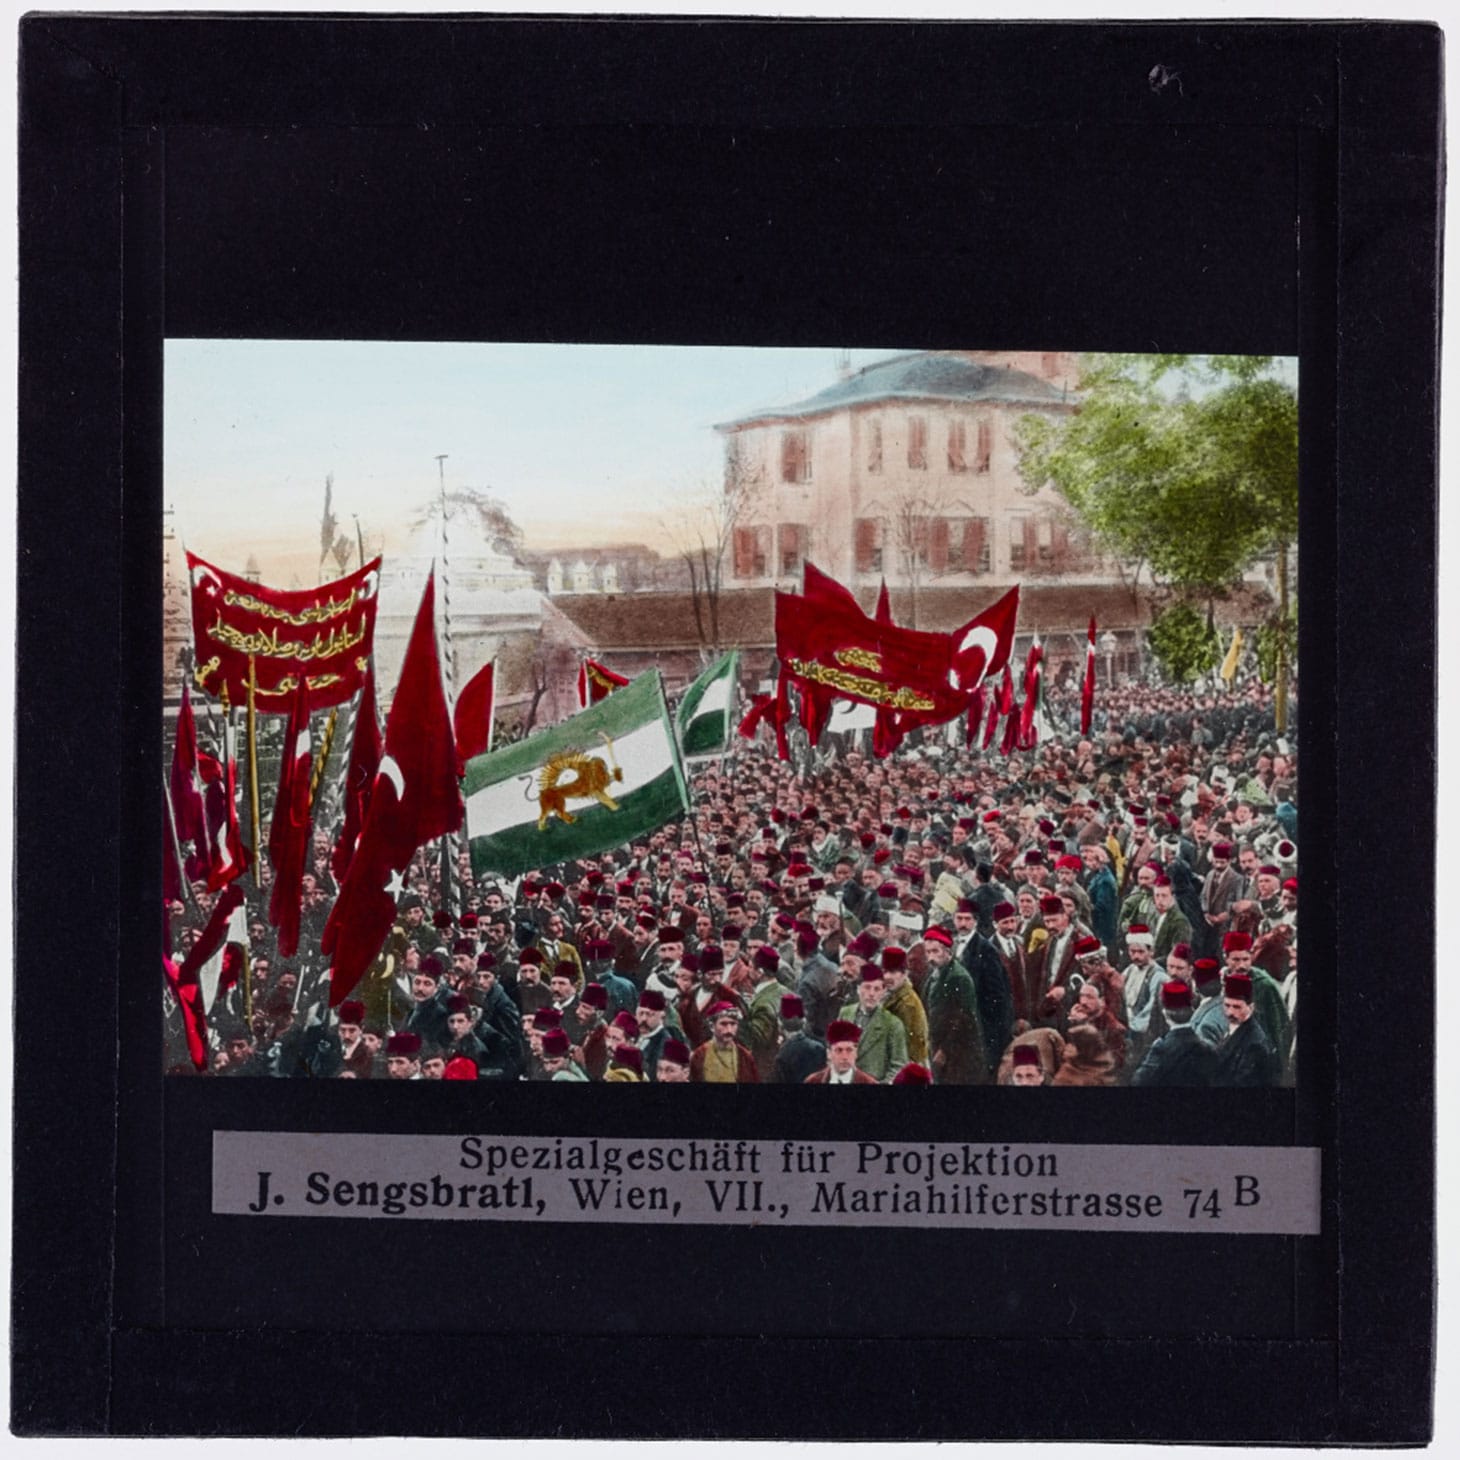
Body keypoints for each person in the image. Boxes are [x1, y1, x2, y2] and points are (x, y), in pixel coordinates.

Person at [1130, 981, 1218, 1087]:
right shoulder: (1207, 1048)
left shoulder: (1161, 1048)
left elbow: (1139, 1081)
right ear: (1192, 1010)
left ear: (1165, 1014)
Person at [836, 966, 909, 1084]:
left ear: (883, 992)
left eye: (877, 989)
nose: (871, 994)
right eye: (867, 987)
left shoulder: (892, 1024)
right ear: (858, 989)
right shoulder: (845, 1013)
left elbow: (899, 1066)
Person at [1211, 972, 1281, 1087]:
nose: (1230, 1012)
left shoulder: (1255, 1044)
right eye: (1227, 1005)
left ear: (1251, 1007)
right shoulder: (1232, 1027)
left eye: (1237, 1007)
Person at [689, 1002, 759, 1083]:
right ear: (712, 1026)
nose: (729, 1030)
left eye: (733, 1024)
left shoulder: (745, 1057)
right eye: (723, 1024)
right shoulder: (700, 1055)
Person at [804, 1020, 879, 1085]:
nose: (845, 1057)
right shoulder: (813, 1081)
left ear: (856, 1053)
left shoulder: (869, 1082)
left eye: (849, 1050)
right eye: (839, 1050)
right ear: (829, 1054)